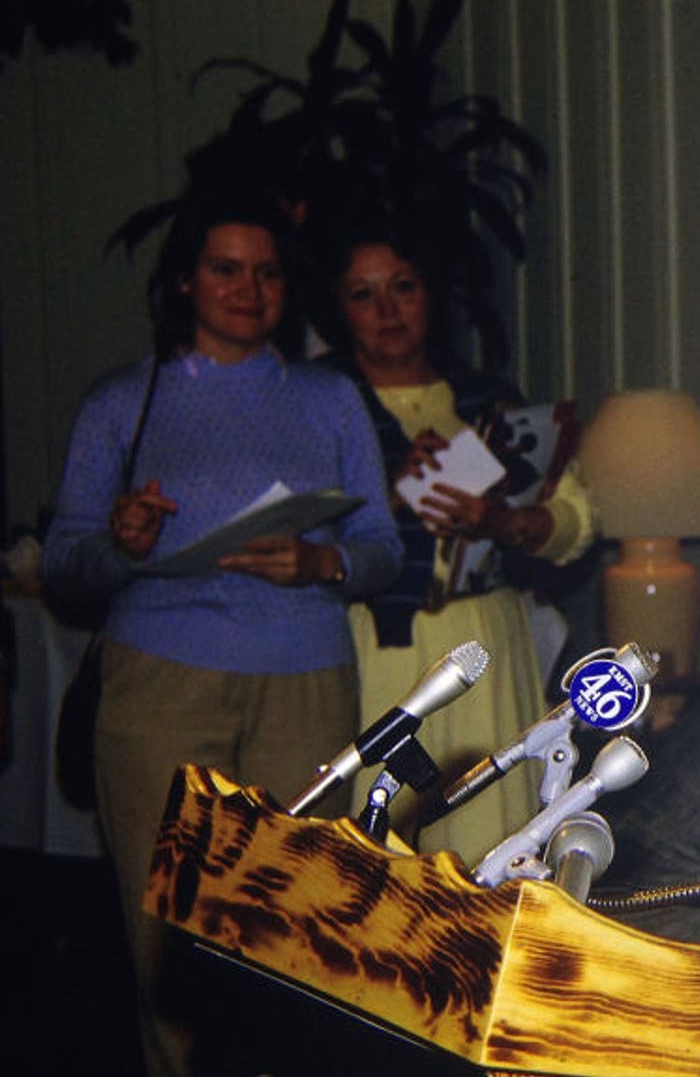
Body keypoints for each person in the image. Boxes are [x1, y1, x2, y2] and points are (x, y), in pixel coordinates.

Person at [42, 189, 403, 1077]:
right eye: (225, 268)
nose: (249, 288)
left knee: (305, 930)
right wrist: (123, 546)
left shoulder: (329, 398)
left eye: (269, 271)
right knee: (167, 937)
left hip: (307, 687)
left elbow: (384, 552)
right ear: (182, 283)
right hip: (162, 684)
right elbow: (65, 568)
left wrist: (324, 566)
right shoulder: (123, 402)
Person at [323, 221, 597, 865]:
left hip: (485, 636)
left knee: (490, 836)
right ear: (340, 310)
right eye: (364, 295)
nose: (387, 310)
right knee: (379, 842)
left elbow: (575, 520)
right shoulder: (325, 404)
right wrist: (386, 495)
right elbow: (299, 531)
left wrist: (505, 522)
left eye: (403, 287)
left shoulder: (487, 399)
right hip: (379, 638)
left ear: (430, 296)